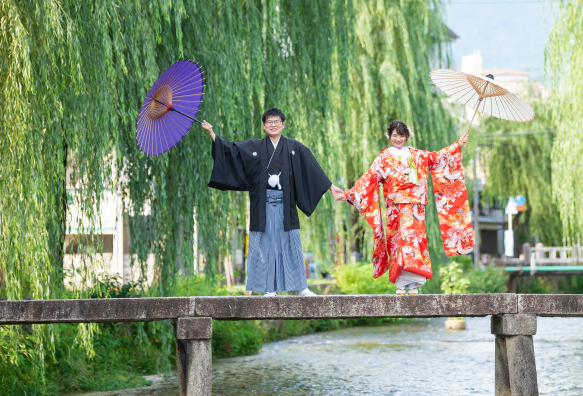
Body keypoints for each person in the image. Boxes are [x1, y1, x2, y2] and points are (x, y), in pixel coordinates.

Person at [202, 108, 345, 296]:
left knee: (292, 243)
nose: (273, 125)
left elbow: (312, 168)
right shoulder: (255, 147)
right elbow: (230, 150)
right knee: (265, 245)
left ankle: (302, 287)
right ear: (264, 126)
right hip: (264, 205)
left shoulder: (294, 147)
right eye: (269, 122)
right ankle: (269, 289)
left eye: (277, 121)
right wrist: (211, 133)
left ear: (283, 124)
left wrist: (331, 187)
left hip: (286, 206)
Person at [342, 120, 473, 295]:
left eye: (401, 135)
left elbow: (436, 158)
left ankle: (413, 285)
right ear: (390, 136)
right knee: (398, 243)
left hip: (415, 209)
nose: (398, 139)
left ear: (406, 137)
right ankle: (399, 284)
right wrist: (348, 194)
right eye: (394, 135)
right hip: (395, 208)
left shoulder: (417, 154)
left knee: (415, 243)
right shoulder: (384, 157)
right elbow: (369, 179)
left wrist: (457, 144)